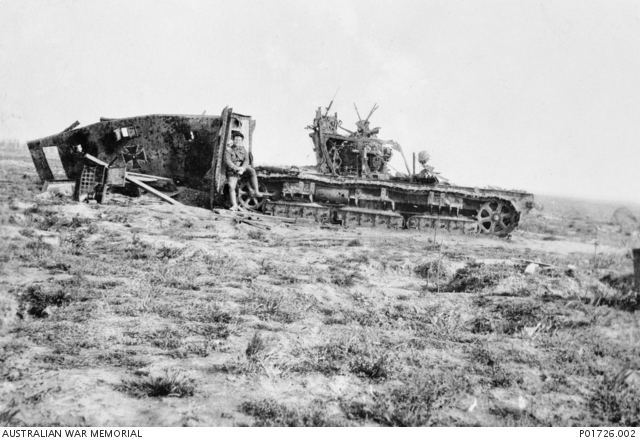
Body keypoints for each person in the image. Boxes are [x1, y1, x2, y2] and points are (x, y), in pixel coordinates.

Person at [225, 131, 263, 211]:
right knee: (231, 187)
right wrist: (237, 168)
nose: (237, 141)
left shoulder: (243, 149)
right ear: (233, 140)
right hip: (233, 170)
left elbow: (246, 160)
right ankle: (234, 205)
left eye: (239, 140)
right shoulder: (228, 149)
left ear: (242, 141)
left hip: (242, 168)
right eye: (236, 140)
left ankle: (256, 191)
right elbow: (228, 162)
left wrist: (243, 168)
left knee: (252, 171)